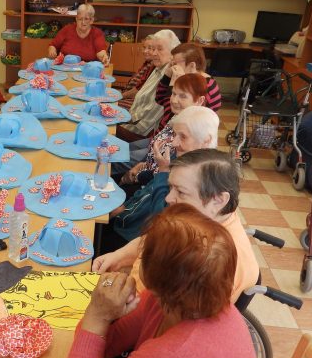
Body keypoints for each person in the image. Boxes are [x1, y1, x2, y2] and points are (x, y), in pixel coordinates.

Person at [61, 204, 264, 358]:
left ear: (150, 271)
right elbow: (108, 345)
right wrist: (102, 316)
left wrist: (97, 314)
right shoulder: (185, 299)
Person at [94, 148, 260, 304]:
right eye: (170, 187)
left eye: (180, 192)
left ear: (218, 200)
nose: (168, 198)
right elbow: (151, 238)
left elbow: (166, 316)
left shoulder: (217, 263)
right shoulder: (200, 217)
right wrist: (119, 255)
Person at [103, 105, 219, 250]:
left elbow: (161, 217)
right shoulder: (183, 157)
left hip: (137, 239)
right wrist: (125, 206)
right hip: (128, 220)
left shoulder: (199, 180)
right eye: (175, 134)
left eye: (183, 137)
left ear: (206, 140)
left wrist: (163, 172)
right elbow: (148, 189)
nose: (174, 142)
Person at [119, 73, 208, 188]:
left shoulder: (190, 135)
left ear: (200, 100)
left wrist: (138, 176)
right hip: (145, 172)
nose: (174, 100)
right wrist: (142, 165)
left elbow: (165, 177)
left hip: (151, 187)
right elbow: (156, 161)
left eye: (183, 96)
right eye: (174, 94)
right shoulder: (177, 117)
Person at [116, 29, 180, 143]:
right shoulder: (157, 68)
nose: (154, 53)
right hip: (131, 122)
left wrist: (120, 125)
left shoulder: (169, 76)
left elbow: (146, 122)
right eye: (153, 49)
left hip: (139, 135)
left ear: (173, 52)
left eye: (159, 49)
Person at [154, 42, 222, 127]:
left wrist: (173, 84)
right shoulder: (184, 77)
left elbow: (171, 117)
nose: (172, 67)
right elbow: (159, 99)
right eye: (171, 63)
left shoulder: (204, 86)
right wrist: (167, 76)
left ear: (191, 65)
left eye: (175, 64)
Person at [117, 35, 160, 111]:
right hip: (129, 97)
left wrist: (119, 96)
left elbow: (137, 91)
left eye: (150, 48)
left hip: (136, 103)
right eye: (144, 47)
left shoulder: (153, 66)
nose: (145, 51)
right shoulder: (147, 63)